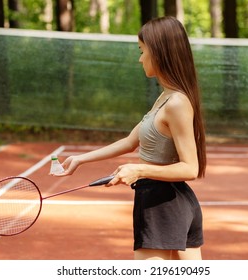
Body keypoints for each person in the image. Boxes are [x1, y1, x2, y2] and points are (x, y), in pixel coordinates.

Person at [54, 16, 206, 260]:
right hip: (170, 202)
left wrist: (139, 170)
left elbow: (190, 167)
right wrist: (80, 159)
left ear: (159, 52)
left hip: (163, 205)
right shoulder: (165, 97)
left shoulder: (177, 103)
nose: (140, 58)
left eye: (142, 50)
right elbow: (129, 141)